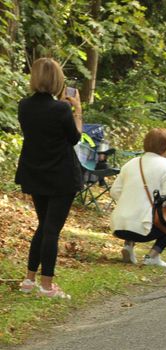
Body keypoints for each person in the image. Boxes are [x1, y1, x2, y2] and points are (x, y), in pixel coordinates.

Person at [16, 57, 83, 299]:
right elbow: (75, 138)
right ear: (58, 80)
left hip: (35, 172)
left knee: (43, 226)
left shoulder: (24, 105)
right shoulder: (61, 109)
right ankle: (47, 285)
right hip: (61, 175)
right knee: (52, 229)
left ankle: (29, 278)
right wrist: (78, 112)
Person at [110, 128, 166, 267]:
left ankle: (128, 245)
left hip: (119, 226)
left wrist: (131, 201)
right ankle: (152, 256)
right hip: (143, 230)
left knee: (136, 210)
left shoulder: (131, 163)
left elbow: (114, 192)